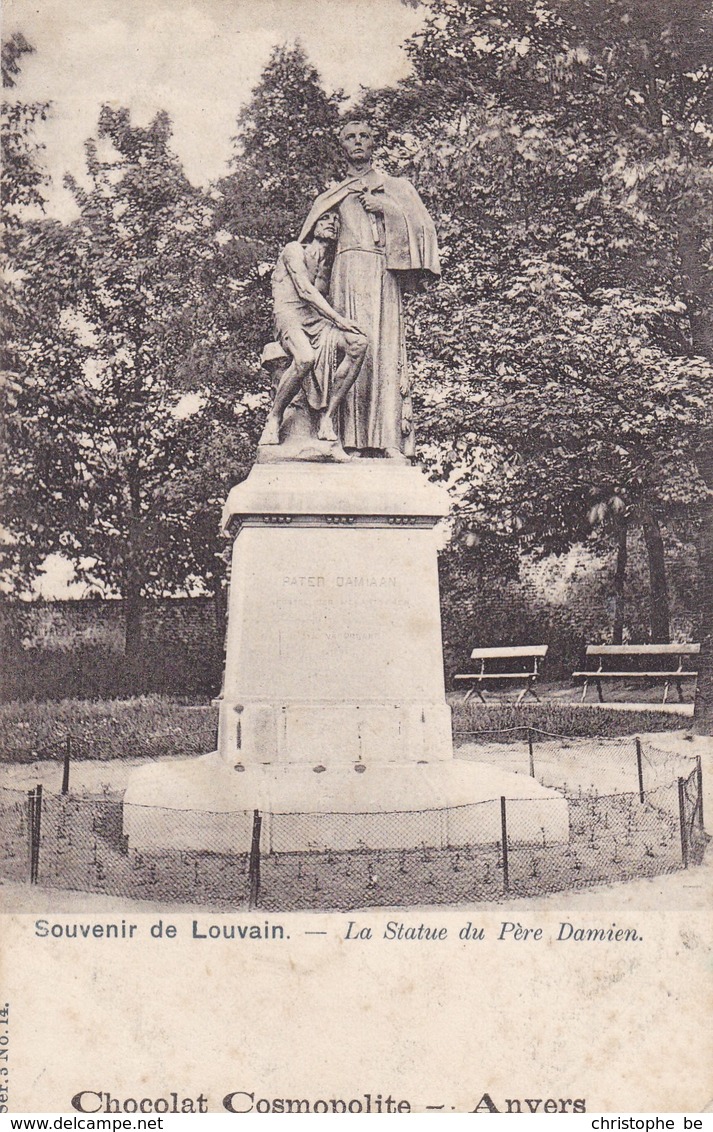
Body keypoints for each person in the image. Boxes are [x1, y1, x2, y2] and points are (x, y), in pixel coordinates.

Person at [299, 120, 440, 460]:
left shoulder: (396, 187)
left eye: (364, 136)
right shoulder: (331, 196)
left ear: (375, 142)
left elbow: (424, 231)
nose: (357, 142)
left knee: (384, 351)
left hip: (381, 274)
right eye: (350, 137)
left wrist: (387, 210)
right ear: (341, 145)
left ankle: (389, 440)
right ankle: (346, 440)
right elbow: (312, 248)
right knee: (349, 349)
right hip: (344, 278)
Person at [260, 210, 367, 449]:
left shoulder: (332, 264)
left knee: (358, 343)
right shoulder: (294, 250)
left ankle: (327, 417)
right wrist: (340, 320)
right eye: (325, 219)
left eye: (336, 221)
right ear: (313, 224)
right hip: (290, 316)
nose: (332, 224)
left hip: (318, 320)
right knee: (305, 358)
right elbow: (305, 290)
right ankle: (275, 417)